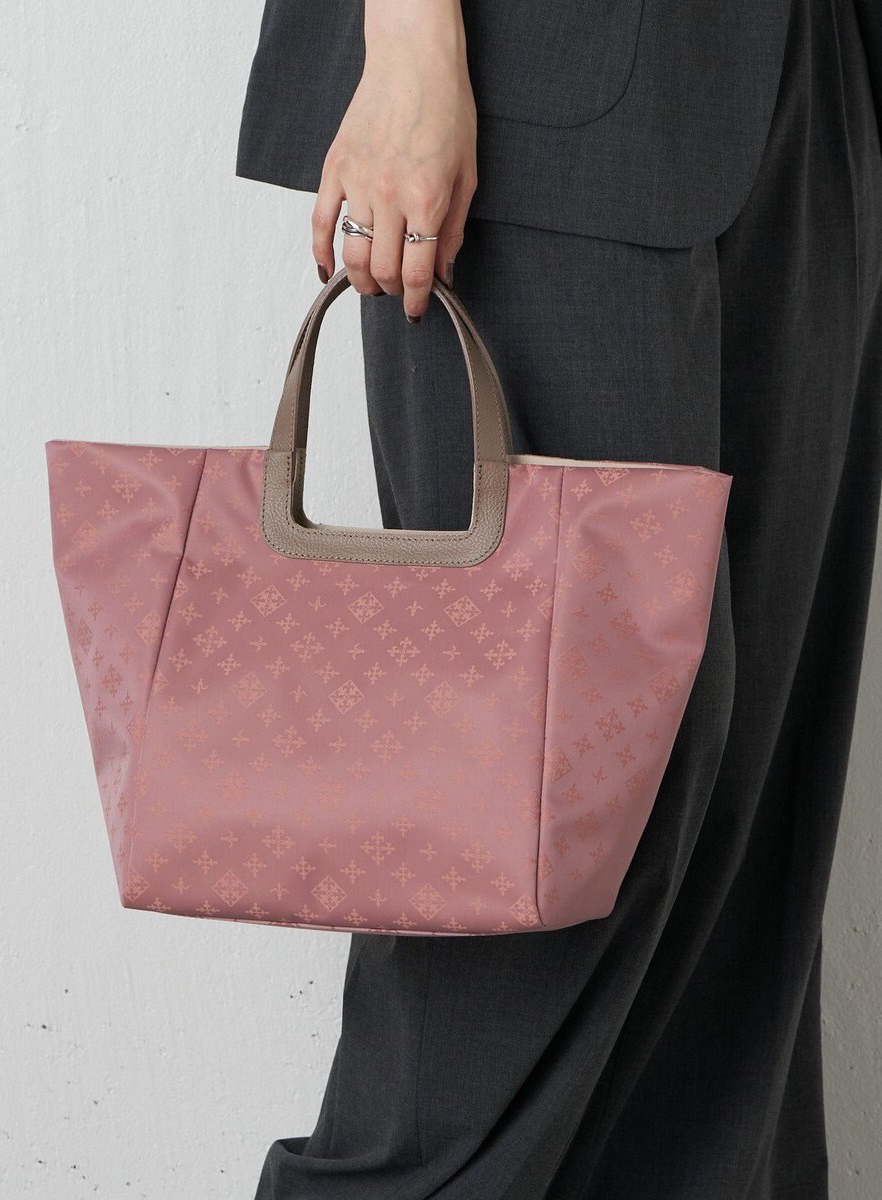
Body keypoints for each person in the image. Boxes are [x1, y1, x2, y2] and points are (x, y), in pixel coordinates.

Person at [235, 1, 882, 1196]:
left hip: (804, 72)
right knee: (554, 818)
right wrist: (408, 44)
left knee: (742, 851)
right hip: (533, 79)